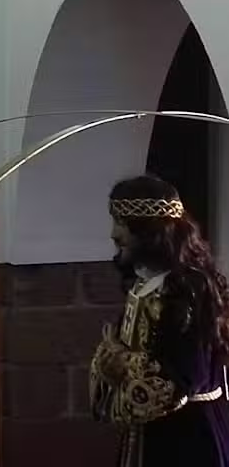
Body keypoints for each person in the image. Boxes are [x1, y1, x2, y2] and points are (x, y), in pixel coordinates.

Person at [90, 175, 229, 467]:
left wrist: (117, 360)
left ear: (149, 232)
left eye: (123, 222)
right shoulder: (146, 281)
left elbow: (182, 379)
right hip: (151, 433)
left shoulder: (188, 291)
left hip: (187, 436)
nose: (115, 233)